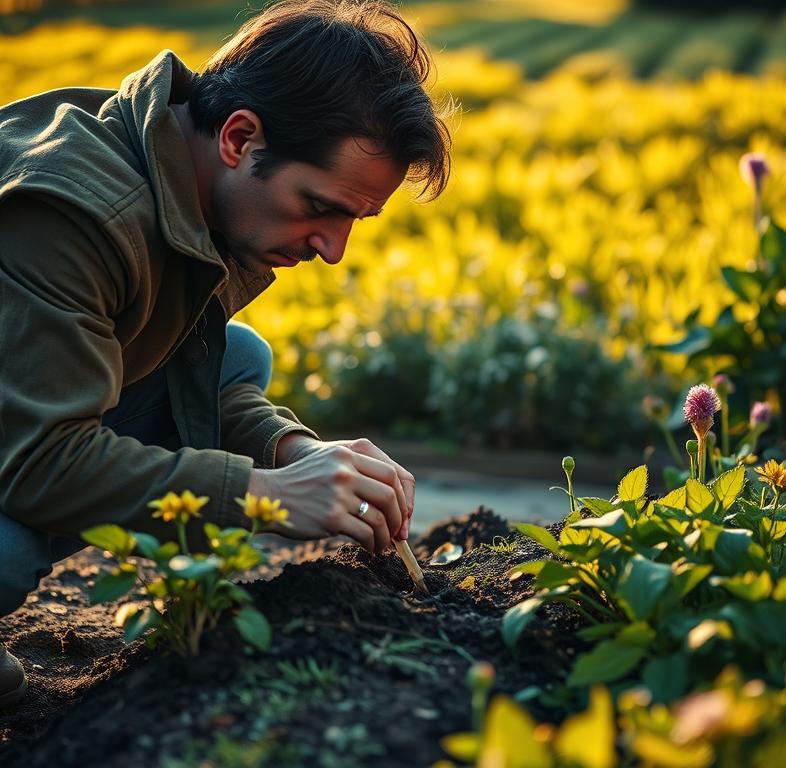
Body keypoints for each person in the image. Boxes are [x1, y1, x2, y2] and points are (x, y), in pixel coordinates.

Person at [0, 0, 452, 708]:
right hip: (23, 451)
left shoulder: (188, 180)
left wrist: (290, 450)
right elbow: (38, 463)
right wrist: (261, 496)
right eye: (321, 206)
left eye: (355, 221)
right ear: (240, 137)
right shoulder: (72, 216)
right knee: (8, 547)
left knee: (237, 356)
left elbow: (189, 376)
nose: (334, 249)